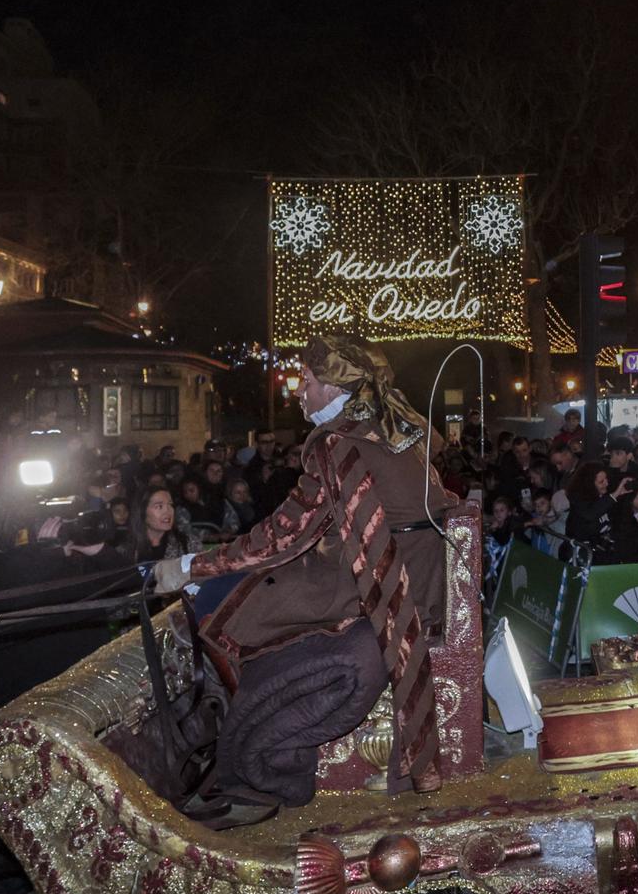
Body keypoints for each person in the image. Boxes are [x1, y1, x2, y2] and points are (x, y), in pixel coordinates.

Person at [152, 333, 453, 826]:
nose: (299, 391)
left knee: (237, 611)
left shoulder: (339, 443)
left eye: (307, 381)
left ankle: (249, 762)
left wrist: (190, 566)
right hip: (420, 583)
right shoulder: (396, 428)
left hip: (383, 590)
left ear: (334, 387)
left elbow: (284, 534)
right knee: (256, 592)